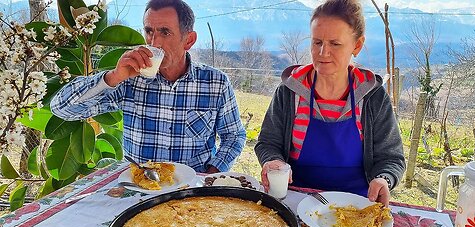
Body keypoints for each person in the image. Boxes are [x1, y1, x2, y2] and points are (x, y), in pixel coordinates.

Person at [50, 0, 246, 173]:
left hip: (191, 189)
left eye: (165, 32)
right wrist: (113, 76)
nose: (154, 43)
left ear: (189, 40)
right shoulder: (129, 79)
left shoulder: (215, 83)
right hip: (140, 187)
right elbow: (62, 109)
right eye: (149, 31)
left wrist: (210, 174)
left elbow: (234, 135)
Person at [255, 0, 405, 205]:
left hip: (357, 204)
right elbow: (268, 142)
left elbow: (391, 158)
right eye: (317, 42)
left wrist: (384, 178)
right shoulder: (289, 93)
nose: (323, 52)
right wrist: (272, 161)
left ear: (357, 45)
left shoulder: (373, 98)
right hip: (295, 200)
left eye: (335, 43)